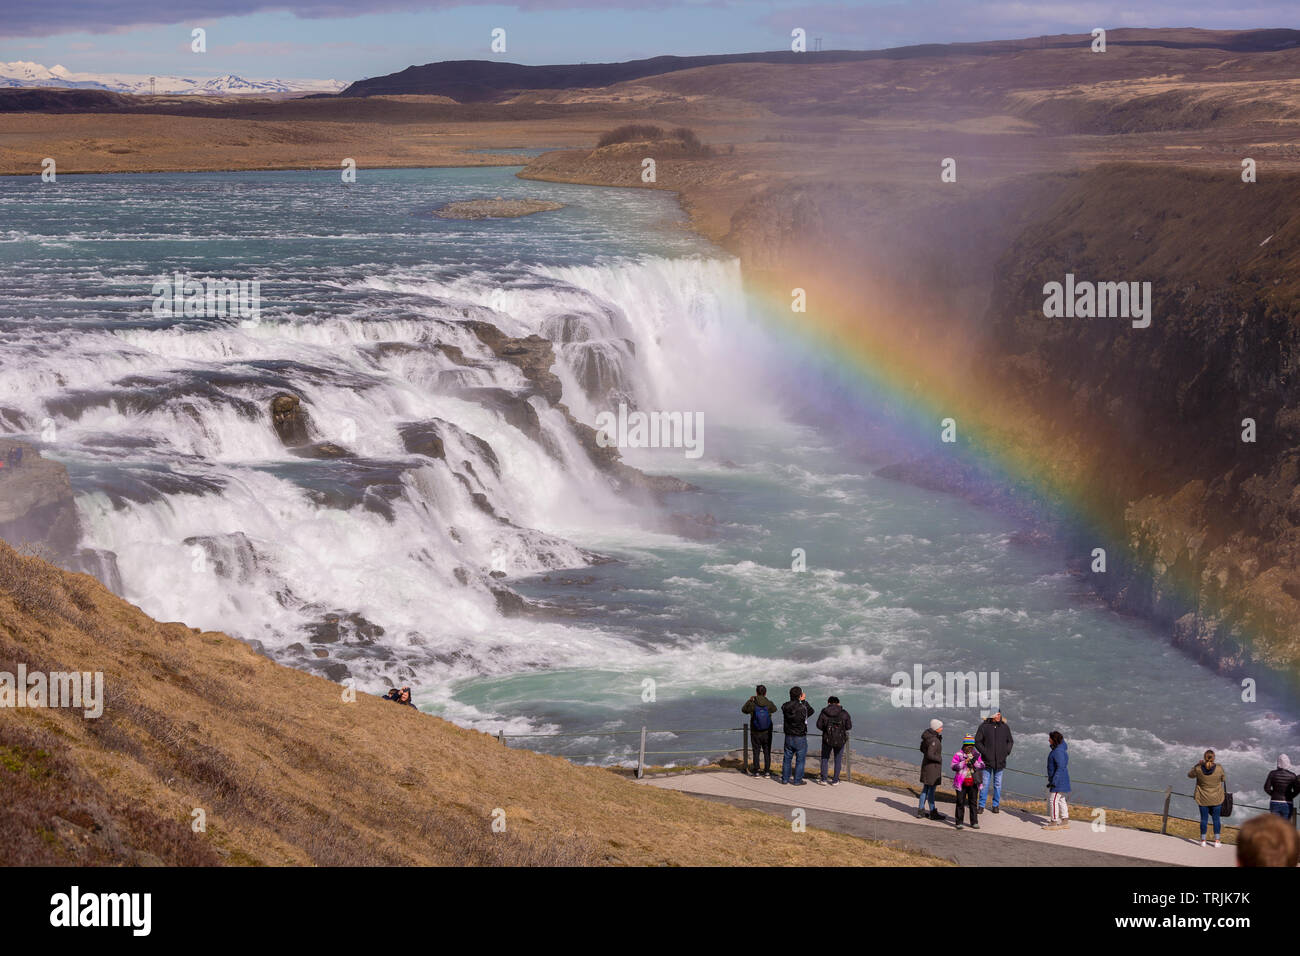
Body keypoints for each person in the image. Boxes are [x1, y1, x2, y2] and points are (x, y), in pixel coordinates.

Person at [974, 709, 1013, 813]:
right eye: (997, 714)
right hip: (987, 761)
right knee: (985, 784)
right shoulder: (983, 727)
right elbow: (977, 741)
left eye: (1000, 713)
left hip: (1000, 761)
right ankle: (981, 805)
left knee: (997, 784)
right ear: (992, 715)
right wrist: (985, 752)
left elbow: (1010, 741)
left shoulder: (1005, 727)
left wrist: (1006, 752)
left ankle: (995, 806)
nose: (999, 716)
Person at [1189, 749, 1227, 847]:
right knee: (1216, 820)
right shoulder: (1219, 768)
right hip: (1216, 798)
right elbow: (1223, 779)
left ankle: (1203, 841)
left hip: (1202, 798)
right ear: (1213, 757)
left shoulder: (1198, 768)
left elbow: (1190, 775)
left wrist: (1196, 765)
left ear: (1204, 758)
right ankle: (1217, 841)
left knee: (1204, 819)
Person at [780, 686, 815, 786]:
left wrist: (799, 699)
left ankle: (785, 779)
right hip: (800, 737)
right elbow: (811, 711)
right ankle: (797, 780)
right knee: (800, 760)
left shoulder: (785, 706)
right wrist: (803, 701)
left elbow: (784, 706)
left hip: (788, 736)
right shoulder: (803, 708)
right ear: (800, 695)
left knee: (787, 759)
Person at [742, 684, 779, 777]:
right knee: (767, 751)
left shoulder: (752, 703)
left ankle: (756, 771)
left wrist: (750, 700)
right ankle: (767, 771)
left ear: (756, 693)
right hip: (767, 732)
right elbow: (775, 709)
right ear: (765, 693)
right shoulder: (769, 703)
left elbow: (744, 710)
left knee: (756, 751)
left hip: (755, 732)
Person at [815, 696, 852, 785]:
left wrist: (826, 730)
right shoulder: (844, 713)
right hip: (840, 739)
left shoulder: (824, 712)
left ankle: (823, 779)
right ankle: (835, 780)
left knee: (825, 758)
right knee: (838, 759)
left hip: (827, 738)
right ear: (838, 703)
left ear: (828, 703)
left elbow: (819, 725)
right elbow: (849, 726)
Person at [951, 733, 985, 830]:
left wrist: (975, 762)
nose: (970, 749)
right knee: (960, 802)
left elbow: (982, 766)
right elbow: (953, 766)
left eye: (972, 747)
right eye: (968, 747)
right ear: (964, 746)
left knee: (973, 803)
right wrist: (963, 763)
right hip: (961, 783)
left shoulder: (977, 755)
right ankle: (959, 822)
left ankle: (974, 822)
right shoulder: (958, 754)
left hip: (973, 782)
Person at [918, 719, 945, 820]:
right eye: (941, 727)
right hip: (932, 768)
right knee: (931, 791)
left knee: (925, 789)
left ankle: (920, 811)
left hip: (926, 766)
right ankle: (933, 812)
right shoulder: (934, 740)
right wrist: (939, 759)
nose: (942, 728)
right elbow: (930, 754)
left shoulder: (927, 737)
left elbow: (922, 749)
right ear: (936, 728)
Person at [1044, 730, 1071, 830]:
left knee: (1053, 800)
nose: (1048, 740)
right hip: (1062, 780)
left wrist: (1054, 782)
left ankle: (1054, 822)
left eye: (1050, 738)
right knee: (1061, 800)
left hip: (1058, 781)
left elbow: (1060, 767)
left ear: (1054, 740)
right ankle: (1065, 820)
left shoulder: (1057, 752)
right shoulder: (1060, 748)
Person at [1263, 754, 1297, 821]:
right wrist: (1290, 796)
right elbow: (1297, 790)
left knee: (1275, 825)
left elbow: (1266, 788)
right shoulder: (1293, 775)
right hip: (1288, 803)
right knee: (1285, 826)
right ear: (1288, 762)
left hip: (1274, 801)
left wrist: (1274, 794)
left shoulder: (1272, 773)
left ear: (1278, 763)